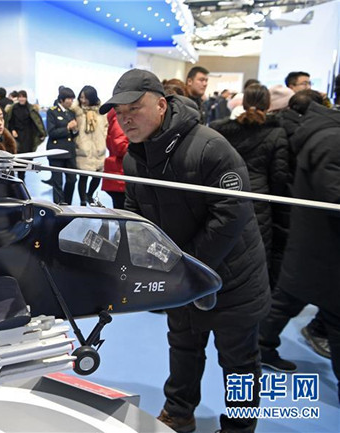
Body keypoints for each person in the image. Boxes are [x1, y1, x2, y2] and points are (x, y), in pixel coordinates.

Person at [100, 69, 269, 433]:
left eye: (134, 108)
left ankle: (239, 428)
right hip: (180, 275)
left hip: (231, 277)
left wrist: (186, 265)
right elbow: (137, 215)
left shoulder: (209, 146)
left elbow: (232, 213)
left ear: (161, 105)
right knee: (183, 346)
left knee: (239, 361)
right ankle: (179, 412)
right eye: (119, 112)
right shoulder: (134, 158)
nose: (125, 118)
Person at [258, 100, 340, 402]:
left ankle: (260, 346)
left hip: (316, 240)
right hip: (322, 242)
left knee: (288, 300)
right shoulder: (331, 139)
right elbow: (333, 194)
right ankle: (259, 346)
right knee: (296, 302)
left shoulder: (324, 134)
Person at [211, 84, 291, 289]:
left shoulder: (221, 130)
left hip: (225, 193)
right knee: (257, 253)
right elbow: (279, 176)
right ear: (268, 104)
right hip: (260, 200)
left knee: (225, 247)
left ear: (244, 102)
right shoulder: (276, 133)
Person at [70, 85, 107, 206]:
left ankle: (89, 194)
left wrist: (103, 137)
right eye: (81, 97)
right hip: (83, 148)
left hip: (98, 148)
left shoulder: (101, 111)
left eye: (86, 98)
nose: (83, 100)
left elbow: (106, 126)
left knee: (98, 175)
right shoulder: (77, 111)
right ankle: (82, 201)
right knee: (83, 177)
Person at [46, 87, 78, 205]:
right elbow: (52, 132)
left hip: (69, 152)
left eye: (72, 99)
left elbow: (74, 133)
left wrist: (75, 130)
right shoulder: (52, 112)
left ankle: (68, 204)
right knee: (57, 182)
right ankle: (59, 206)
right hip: (56, 152)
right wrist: (67, 128)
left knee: (72, 179)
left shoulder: (71, 113)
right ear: (62, 99)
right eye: (69, 99)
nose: (71, 101)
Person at [4, 90, 46, 180]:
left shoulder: (31, 108)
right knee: (16, 158)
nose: (22, 99)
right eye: (20, 97)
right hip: (16, 136)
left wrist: (41, 133)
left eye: (23, 97)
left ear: (26, 98)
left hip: (28, 137)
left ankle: (21, 179)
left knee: (25, 160)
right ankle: (17, 179)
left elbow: (36, 122)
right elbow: (10, 121)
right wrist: (12, 130)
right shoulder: (13, 108)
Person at [101, 108, 128, 209]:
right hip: (120, 174)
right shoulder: (120, 117)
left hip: (120, 174)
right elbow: (120, 147)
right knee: (125, 214)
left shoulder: (122, 116)